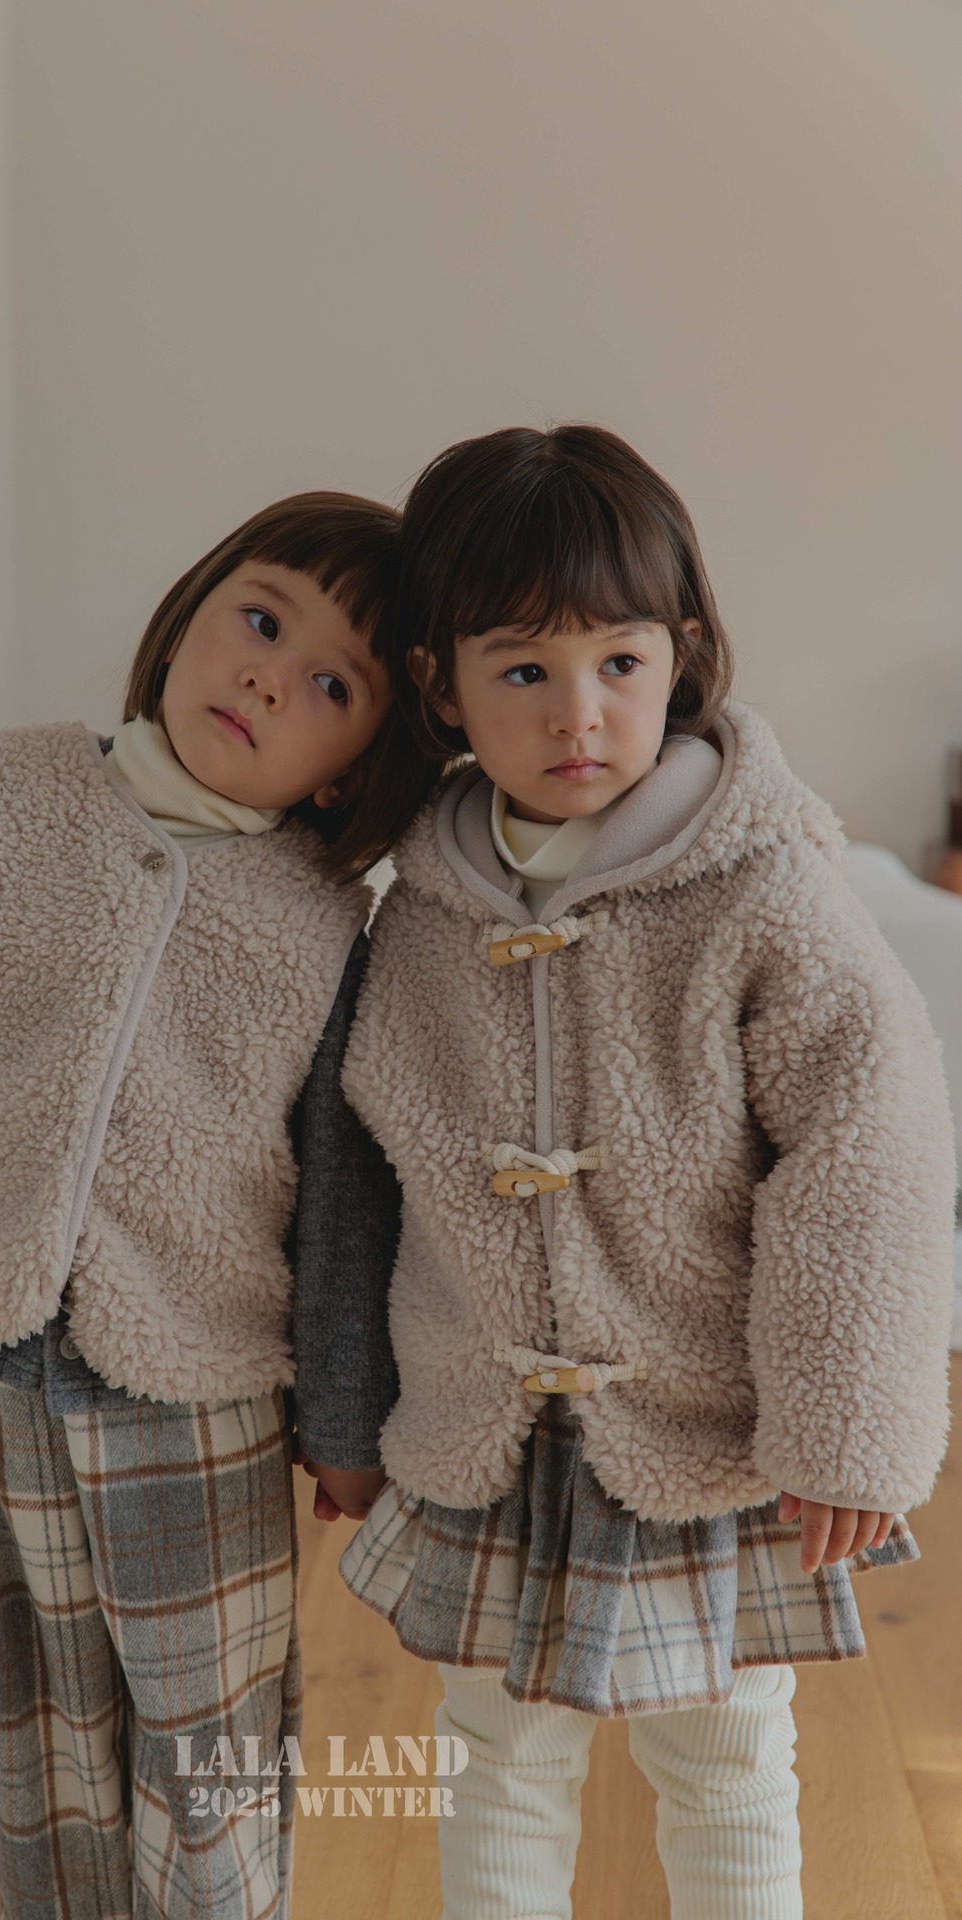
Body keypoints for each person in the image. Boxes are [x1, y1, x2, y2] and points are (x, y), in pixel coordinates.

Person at [0, 491, 440, 1920]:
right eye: (260, 621)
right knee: (43, 1713)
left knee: (206, 1724)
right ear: (188, 613)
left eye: (332, 685)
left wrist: (345, 1420)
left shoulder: (326, 921)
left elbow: (343, 1201)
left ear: (355, 765)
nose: (268, 679)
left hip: (193, 1379)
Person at [302, 427, 957, 1920]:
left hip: (704, 1427)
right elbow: (361, 1178)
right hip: (490, 1429)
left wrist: (847, 1426)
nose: (578, 712)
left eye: (619, 662)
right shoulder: (420, 912)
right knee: (496, 1756)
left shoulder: (762, 886)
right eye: (523, 669)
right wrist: (350, 1413)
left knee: (724, 1757)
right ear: (441, 686)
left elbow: (872, 1146)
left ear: (685, 656)